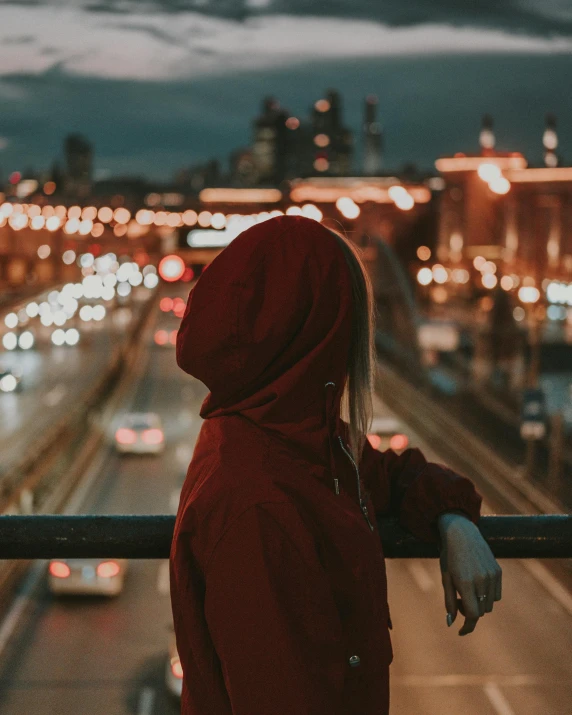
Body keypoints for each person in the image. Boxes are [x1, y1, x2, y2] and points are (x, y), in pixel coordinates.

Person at [170, 215, 502, 715]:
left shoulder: (296, 443)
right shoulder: (259, 505)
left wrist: (454, 520)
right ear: (318, 333)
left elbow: (392, 476)